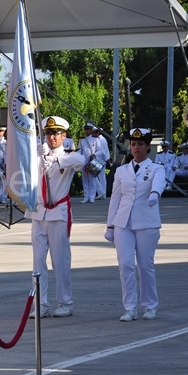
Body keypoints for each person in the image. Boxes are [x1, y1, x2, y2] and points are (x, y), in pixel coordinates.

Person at [26, 116, 85, 318]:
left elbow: (81, 161)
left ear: (63, 136)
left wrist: (56, 159)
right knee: (38, 261)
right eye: (48, 133)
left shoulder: (68, 156)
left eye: (55, 133)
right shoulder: (38, 154)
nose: (51, 137)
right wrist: (36, 155)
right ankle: (41, 304)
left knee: (60, 261)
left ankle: (65, 302)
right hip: (39, 212)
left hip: (58, 213)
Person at [104, 128, 165, 322]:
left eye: (140, 144)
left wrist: (155, 194)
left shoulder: (156, 168)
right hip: (123, 222)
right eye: (133, 144)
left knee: (145, 265)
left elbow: (159, 183)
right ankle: (129, 307)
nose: (136, 147)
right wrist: (110, 225)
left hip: (146, 222)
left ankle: (149, 305)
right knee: (126, 264)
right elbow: (115, 199)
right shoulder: (122, 170)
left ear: (148, 147)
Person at [79, 122, 99, 203]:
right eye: (85, 129)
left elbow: (100, 150)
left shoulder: (95, 140)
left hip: (92, 161)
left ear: (91, 130)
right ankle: (86, 197)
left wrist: (95, 154)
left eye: (88, 129)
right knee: (85, 180)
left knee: (92, 180)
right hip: (84, 162)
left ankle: (92, 197)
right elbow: (80, 151)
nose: (86, 131)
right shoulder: (82, 141)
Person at [92, 126, 111, 199]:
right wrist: (107, 159)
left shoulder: (100, 140)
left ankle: (101, 192)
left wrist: (107, 159)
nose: (92, 134)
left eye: (94, 132)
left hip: (99, 160)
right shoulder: (103, 139)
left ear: (98, 133)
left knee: (93, 176)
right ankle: (103, 194)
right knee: (102, 178)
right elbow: (106, 151)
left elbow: (103, 151)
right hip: (101, 160)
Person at [0, 127, 8, 204]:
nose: (0, 132)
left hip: (4, 161)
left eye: (2, 131)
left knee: (5, 181)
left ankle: (4, 197)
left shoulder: (6, 141)